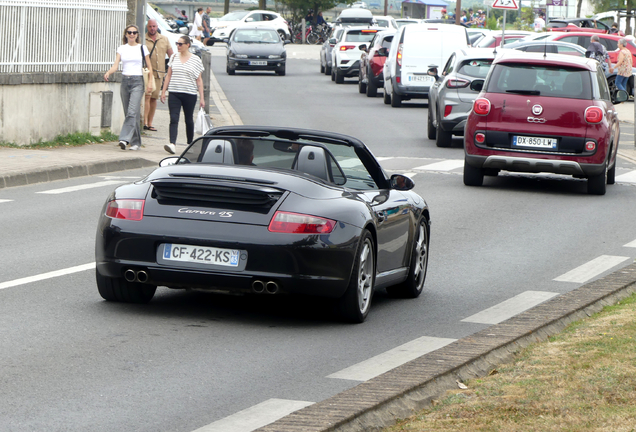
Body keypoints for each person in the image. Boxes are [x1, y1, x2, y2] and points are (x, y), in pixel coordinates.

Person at [104, 24, 153, 151]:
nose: (132, 34)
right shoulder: (122, 48)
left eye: (134, 32)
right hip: (125, 81)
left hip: (138, 81)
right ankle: (136, 143)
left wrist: (150, 83)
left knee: (131, 112)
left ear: (137, 35)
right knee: (130, 113)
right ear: (125, 34)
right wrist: (109, 72)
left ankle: (124, 139)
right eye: (129, 32)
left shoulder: (142, 48)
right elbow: (116, 65)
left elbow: (149, 67)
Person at [161, 36, 205, 154]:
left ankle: (190, 143)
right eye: (177, 44)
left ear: (187, 45)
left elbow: (199, 79)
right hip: (174, 92)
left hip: (189, 93)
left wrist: (202, 98)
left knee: (188, 119)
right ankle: (172, 143)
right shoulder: (174, 57)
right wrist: (164, 91)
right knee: (174, 118)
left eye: (180, 44)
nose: (178, 46)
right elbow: (168, 75)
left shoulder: (196, 60)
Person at [144, 19, 173, 132]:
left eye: (154, 26)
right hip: (147, 73)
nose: (152, 28)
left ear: (157, 27)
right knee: (147, 96)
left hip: (159, 74)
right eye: (150, 26)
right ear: (147, 27)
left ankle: (150, 122)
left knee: (153, 98)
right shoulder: (143, 40)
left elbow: (171, 55)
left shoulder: (164, 39)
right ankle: (144, 122)